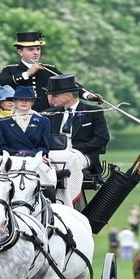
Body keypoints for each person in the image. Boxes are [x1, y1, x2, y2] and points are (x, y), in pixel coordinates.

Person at [0, 31, 100, 113]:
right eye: (31, 49)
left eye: (38, 49)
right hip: (18, 117)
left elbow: (71, 85)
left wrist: (88, 96)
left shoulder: (49, 70)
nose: (36, 53)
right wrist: (27, 74)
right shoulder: (10, 70)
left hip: (47, 118)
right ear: (20, 52)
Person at [45, 74, 109, 206]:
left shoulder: (93, 112)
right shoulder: (50, 113)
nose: (51, 98)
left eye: (55, 95)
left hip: (83, 155)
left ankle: (69, 202)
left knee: (70, 158)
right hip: (54, 155)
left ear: (68, 96)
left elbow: (102, 138)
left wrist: (74, 148)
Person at [0, 86, 52, 158]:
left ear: (32, 102)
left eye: (28, 99)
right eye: (20, 99)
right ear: (15, 101)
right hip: (11, 160)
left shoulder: (44, 121)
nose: (24, 102)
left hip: (35, 160)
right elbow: (0, 147)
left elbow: (45, 147)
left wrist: (31, 154)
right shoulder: (2, 122)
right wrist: (16, 153)